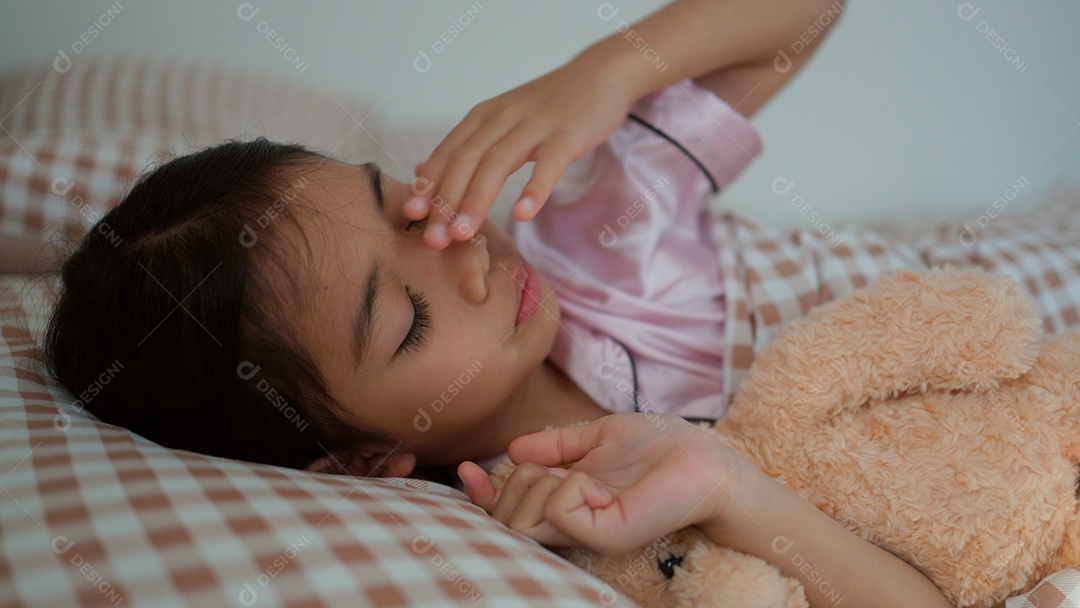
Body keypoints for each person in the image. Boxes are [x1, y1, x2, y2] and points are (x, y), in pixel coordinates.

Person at [41, 0, 953, 604]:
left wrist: (601, 72)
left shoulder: (595, 226)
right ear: (364, 462)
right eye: (411, 320)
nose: (467, 256)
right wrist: (724, 489)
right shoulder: (563, 523)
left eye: (409, 211)